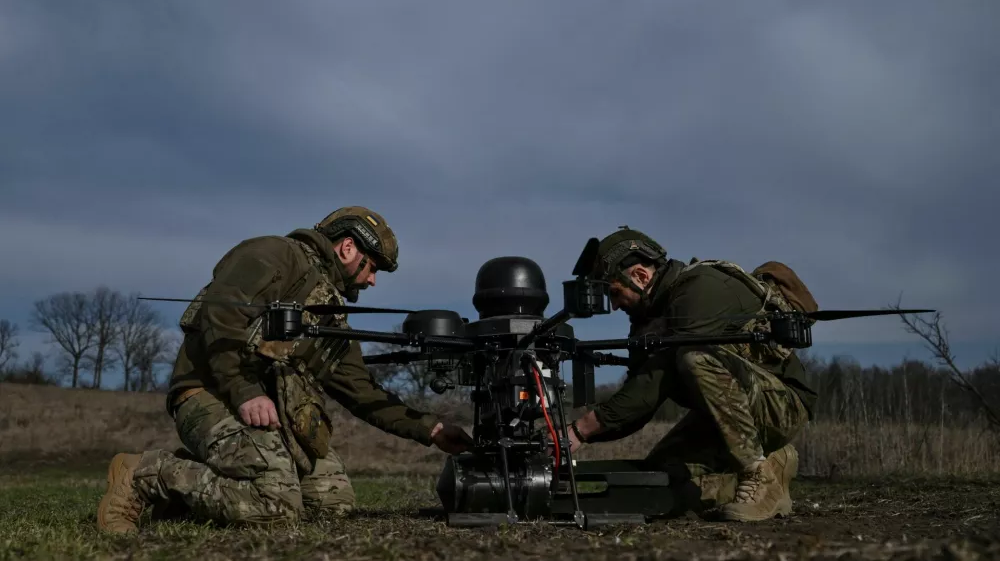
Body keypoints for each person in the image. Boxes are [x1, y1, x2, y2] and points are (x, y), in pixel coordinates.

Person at [97, 206, 473, 534]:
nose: (372, 280)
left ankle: (190, 493)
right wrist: (245, 390)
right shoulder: (273, 254)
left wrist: (432, 429)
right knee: (275, 505)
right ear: (348, 248)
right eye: (372, 267)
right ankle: (146, 475)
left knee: (331, 503)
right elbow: (221, 316)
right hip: (210, 392)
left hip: (268, 415)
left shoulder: (332, 313)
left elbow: (362, 391)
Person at [566, 226, 819, 522]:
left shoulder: (700, 288)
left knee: (693, 356)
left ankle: (757, 475)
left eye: (615, 292)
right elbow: (637, 402)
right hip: (722, 420)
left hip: (782, 407)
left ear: (639, 276)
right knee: (662, 481)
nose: (615, 304)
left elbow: (653, 383)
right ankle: (773, 465)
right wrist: (575, 434)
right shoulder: (647, 321)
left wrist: (578, 431)